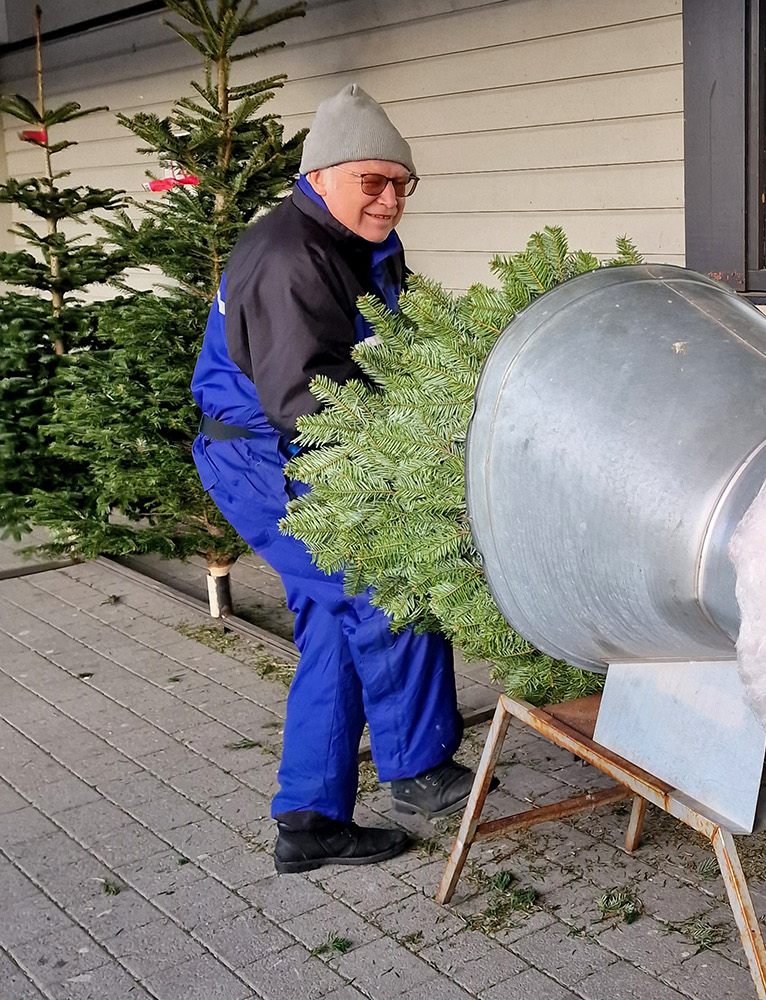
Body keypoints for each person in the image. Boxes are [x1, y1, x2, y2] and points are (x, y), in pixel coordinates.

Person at [191, 84, 488, 874]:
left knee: (331, 628)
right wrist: (403, 478)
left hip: (302, 443)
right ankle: (417, 768)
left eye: (402, 184)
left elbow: (393, 341)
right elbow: (308, 402)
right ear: (320, 175)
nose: (391, 200)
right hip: (271, 458)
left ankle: (311, 819)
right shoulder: (294, 258)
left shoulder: (352, 239)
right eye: (373, 182)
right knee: (387, 583)